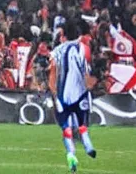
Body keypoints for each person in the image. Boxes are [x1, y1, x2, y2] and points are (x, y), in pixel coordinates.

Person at [49, 20, 97, 173]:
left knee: (66, 128)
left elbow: (52, 73)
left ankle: (71, 154)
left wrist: (54, 93)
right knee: (82, 124)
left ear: (64, 35)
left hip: (63, 95)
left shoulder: (56, 51)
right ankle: (88, 145)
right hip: (80, 93)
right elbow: (88, 73)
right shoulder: (83, 49)